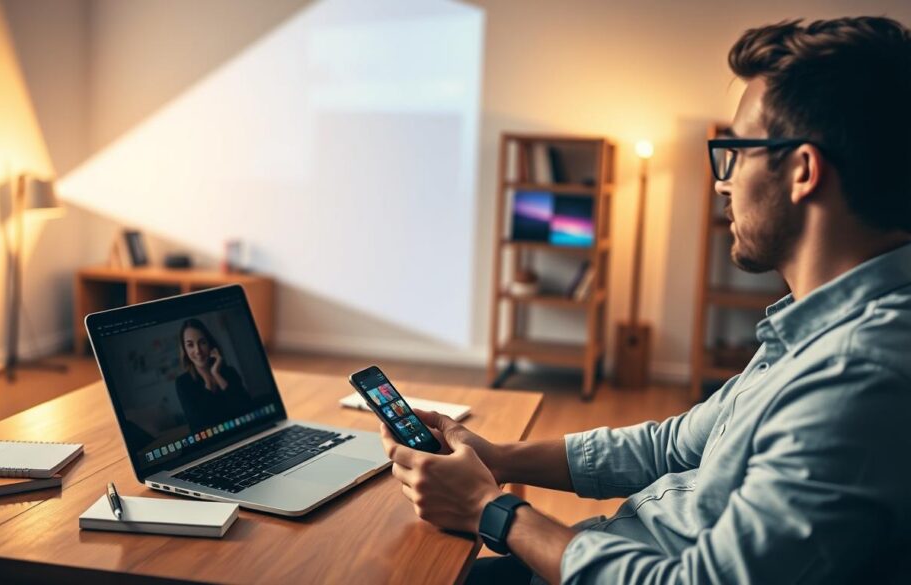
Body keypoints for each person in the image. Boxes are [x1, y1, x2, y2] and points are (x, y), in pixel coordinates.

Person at [381, 16, 911, 584]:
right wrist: (497, 459)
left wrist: (490, 511)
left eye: (735, 152)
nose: (720, 182)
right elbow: (672, 447)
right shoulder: (815, 327)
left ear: (803, 171)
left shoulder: (856, 373)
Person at [175, 318, 252, 430]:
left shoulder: (229, 372)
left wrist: (216, 375)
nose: (198, 351)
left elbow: (246, 408)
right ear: (185, 350)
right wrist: (208, 383)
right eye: (190, 345)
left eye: (202, 342)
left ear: (210, 344)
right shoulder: (183, 383)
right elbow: (199, 424)